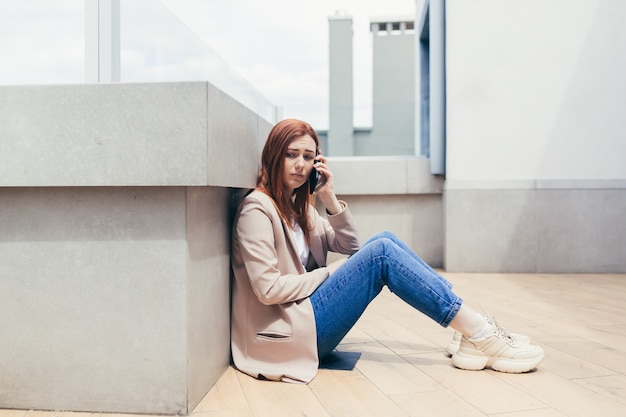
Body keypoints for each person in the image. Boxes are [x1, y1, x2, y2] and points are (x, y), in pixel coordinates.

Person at [230, 119, 544, 383]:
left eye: (308, 157)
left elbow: (350, 248)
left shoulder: (300, 209)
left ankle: (467, 329)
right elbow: (268, 290)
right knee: (381, 253)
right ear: (274, 156)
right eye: (291, 155)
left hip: (306, 315)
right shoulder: (257, 210)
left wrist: (328, 197)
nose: (301, 165)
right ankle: (479, 332)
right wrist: (329, 272)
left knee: (384, 239)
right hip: (286, 335)